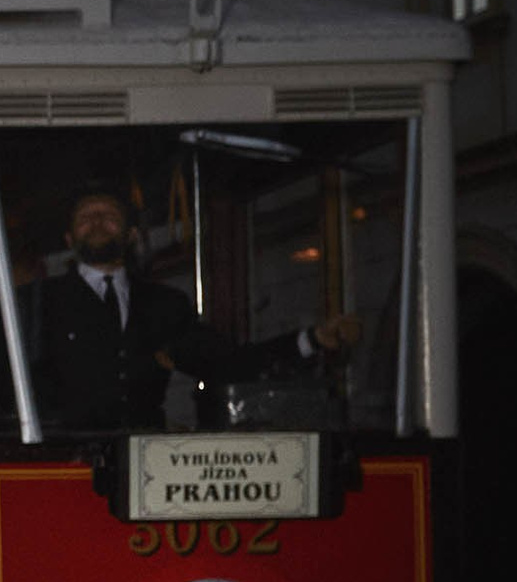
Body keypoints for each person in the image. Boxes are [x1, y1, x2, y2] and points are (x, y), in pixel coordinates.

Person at [34, 182, 359, 432]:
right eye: (85, 218)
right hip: (62, 459)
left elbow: (227, 361)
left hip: (145, 458)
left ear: (131, 235)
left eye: (109, 216)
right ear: (68, 238)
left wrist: (312, 339)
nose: (97, 223)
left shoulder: (164, 304)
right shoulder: (40, 302)